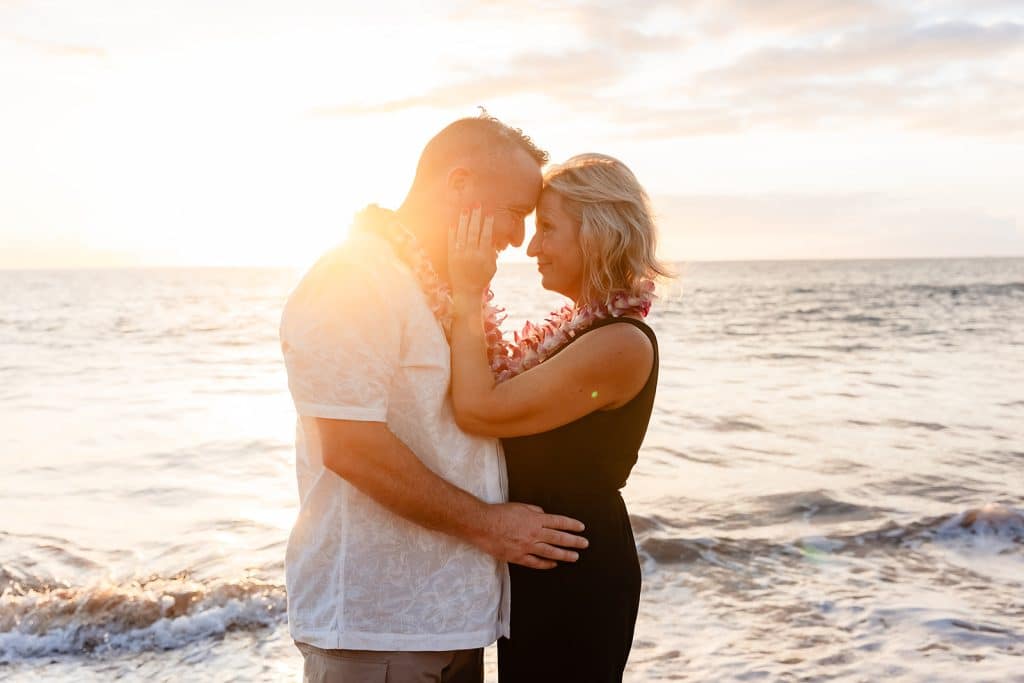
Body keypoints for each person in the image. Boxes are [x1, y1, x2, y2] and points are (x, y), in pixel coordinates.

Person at [279, 114, 589, 683]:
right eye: (514, 214)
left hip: (456, 620)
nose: (519, 238)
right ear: (459, 183)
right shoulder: (355, 277)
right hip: (377, 627)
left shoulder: (445, 288)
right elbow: (351, 447)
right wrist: (489, 525)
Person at [447, 153, 670, 682]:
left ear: (596, 234)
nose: (532, 246)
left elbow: (479, 409)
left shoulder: (619, 343)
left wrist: (466, 291)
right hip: (541, 558)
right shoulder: (582, 332)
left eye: (547, 227)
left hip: (576, 572)